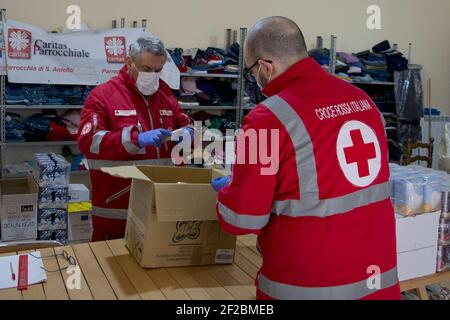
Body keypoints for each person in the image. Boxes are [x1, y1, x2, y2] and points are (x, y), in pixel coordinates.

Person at [212, 16, 400, 300]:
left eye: (251, 71)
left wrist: (229, 191)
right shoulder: (363, 101)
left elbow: (244, 220)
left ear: (265, 66)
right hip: (377, 283)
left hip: (308, 285)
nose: (255, 78)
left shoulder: (266, 119)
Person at [78, 36, 192, 241]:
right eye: (147, 69)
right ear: (129, 62)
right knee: (108, 273)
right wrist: (135, 139)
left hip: (161, 209)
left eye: (158, 71)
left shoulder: (166, 96)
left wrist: (190, 133)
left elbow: (184, 122)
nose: (153, 76)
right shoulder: (102, 96)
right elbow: (89, 142)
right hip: (116, 212)